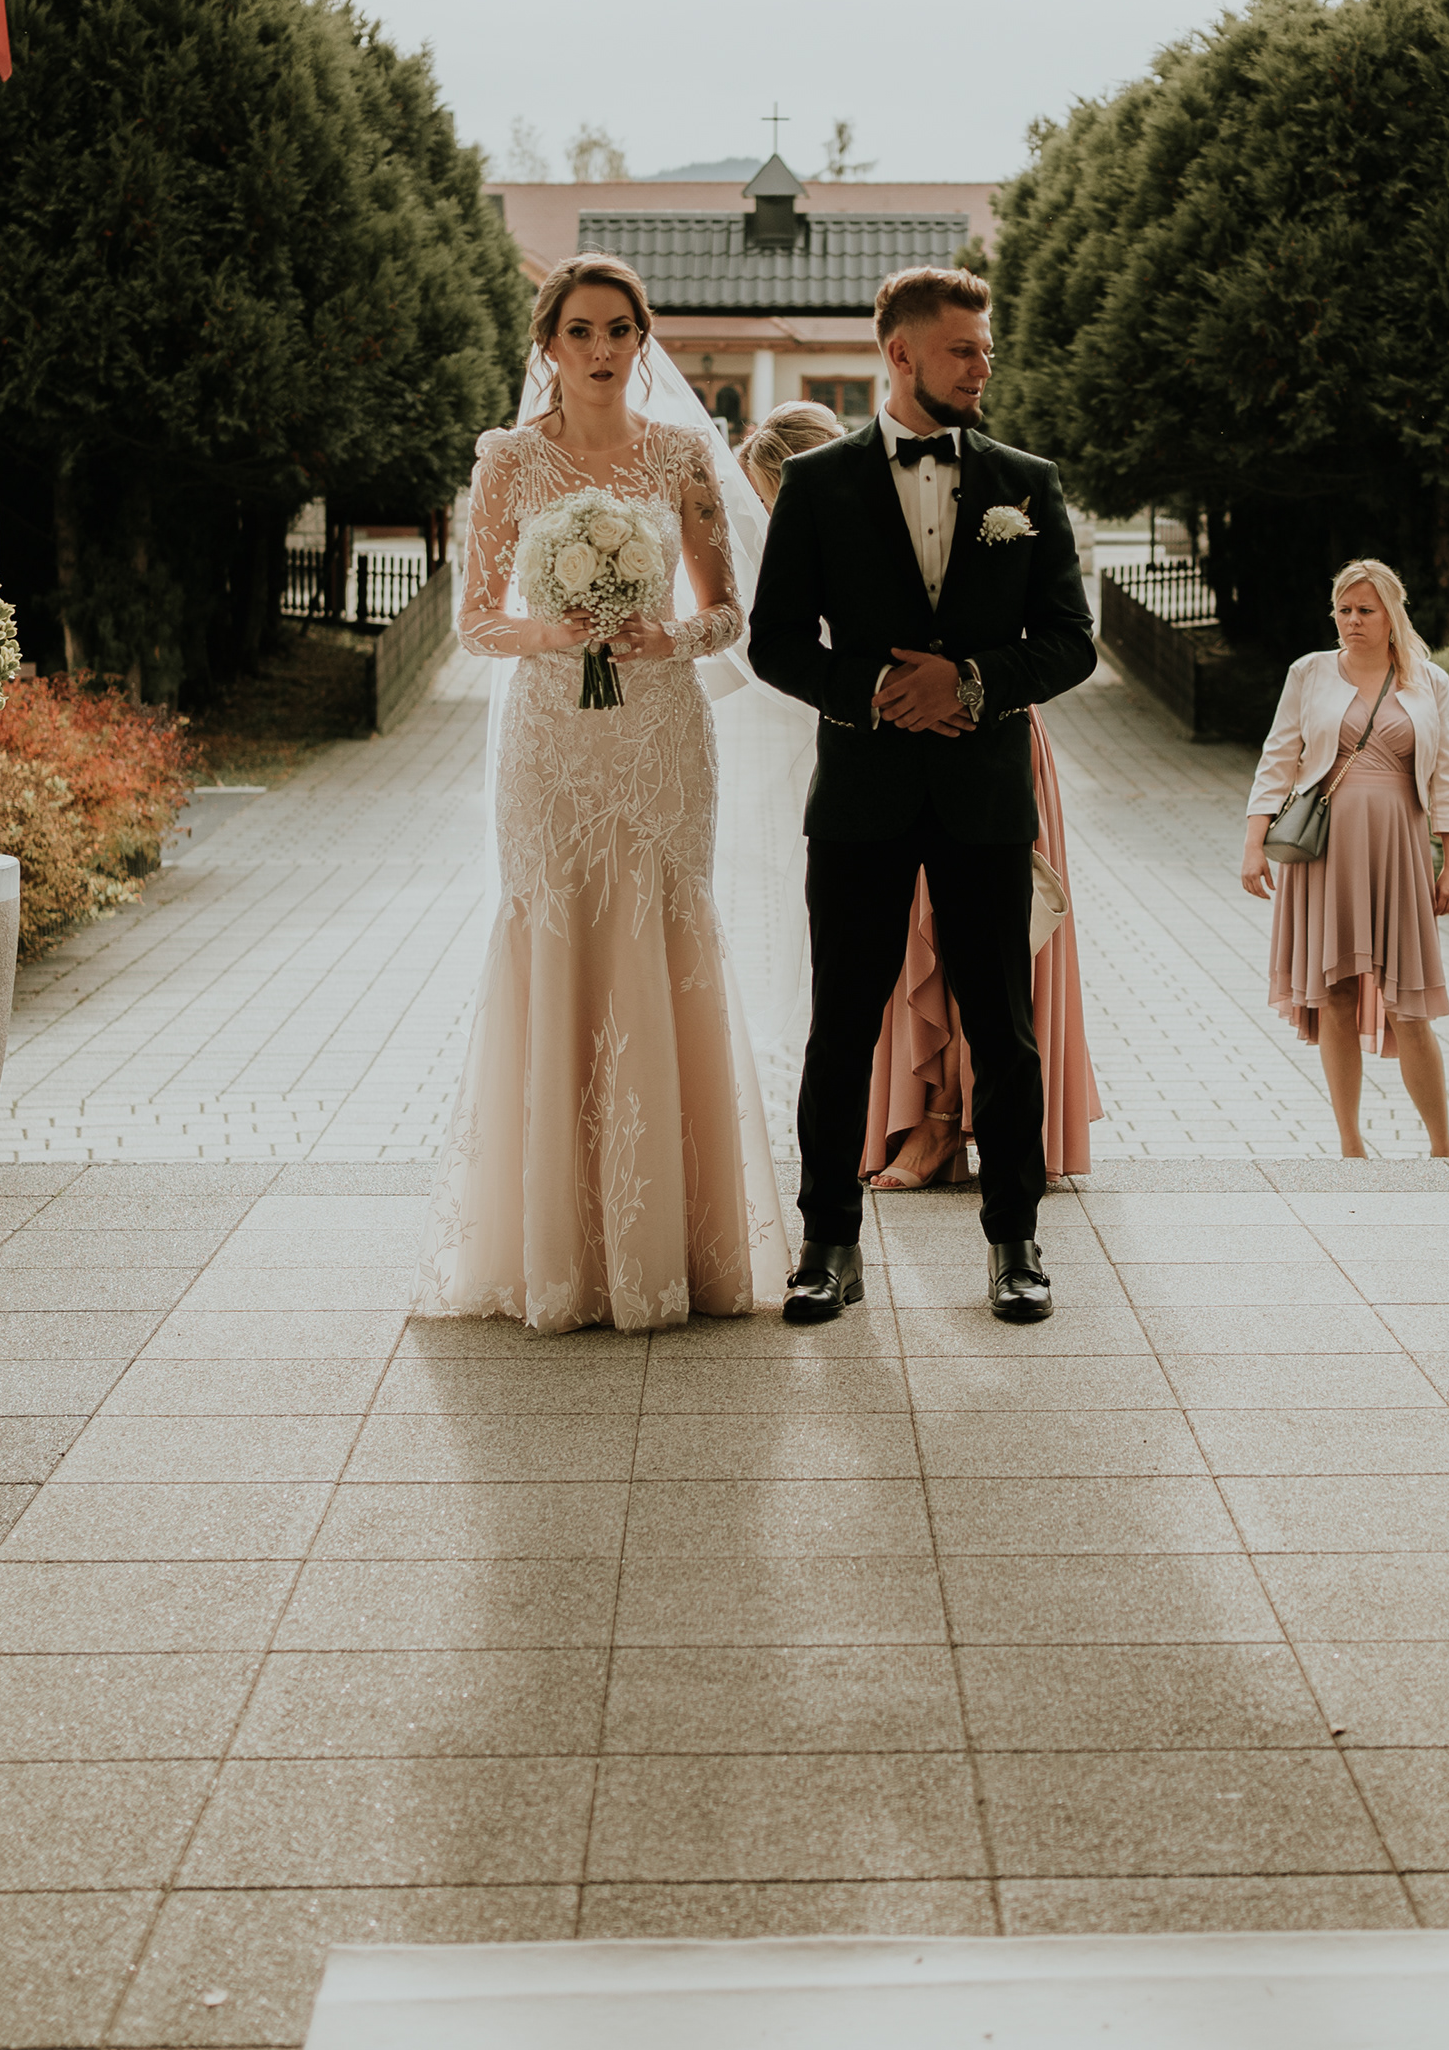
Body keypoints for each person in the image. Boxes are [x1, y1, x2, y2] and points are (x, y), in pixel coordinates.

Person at [423, 254, 779, 1335]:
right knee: (557, 933)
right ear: (548, 344)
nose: (601, 349)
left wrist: (667, 634)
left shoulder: (681, 455)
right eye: (579, 330)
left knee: (663, 933)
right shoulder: (510, 460)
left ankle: (677, 1246)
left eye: (619, 329)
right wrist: (552, 630)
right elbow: (474, 620)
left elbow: (728, 612)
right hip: (552, 745)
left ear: (640, 339)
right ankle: (559, 1252)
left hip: (660, 735)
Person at [747, 270, 1098, 1326]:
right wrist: (877, 694)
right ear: (899, 355)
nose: (983, 366)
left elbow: (1072, 642)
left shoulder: (1027, 482)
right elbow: (774, 642)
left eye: (986, 349)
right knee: (841, 1028)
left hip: (984, 796)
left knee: (1005, 1029)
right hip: (862, 794)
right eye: (963, 350)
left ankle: (1015, 1243)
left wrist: (972, 683)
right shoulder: (817, 485)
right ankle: (827, 1245)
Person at [1243, 562, 1449, 1159]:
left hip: (1399, 846)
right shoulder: (1309, 672)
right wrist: (1253, 843)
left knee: (1409, 1005)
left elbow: (1447, 773)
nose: (1352, 621)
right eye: (1344, 610)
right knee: (1337, 995)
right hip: (1325, 851)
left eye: (1365, 610)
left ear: (1391, 615)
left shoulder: (1429, 681)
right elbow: (1278, 758)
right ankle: (1350, 1146)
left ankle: (1443, 1148)